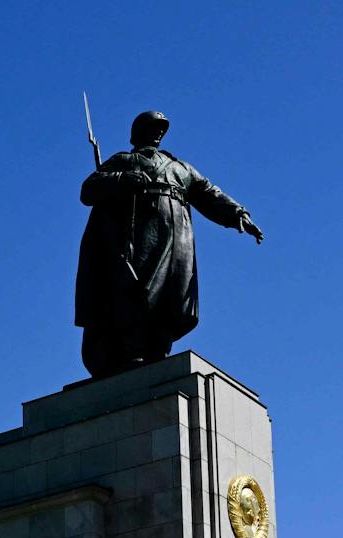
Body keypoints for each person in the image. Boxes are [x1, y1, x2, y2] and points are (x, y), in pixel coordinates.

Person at [74, 110, 264, 378]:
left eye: (161, 128)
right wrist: (121, 179)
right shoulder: (124, 160)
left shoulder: (180, 168)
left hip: (177, 238)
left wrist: (238, 214)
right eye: (153, 127)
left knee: (172, 295)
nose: (158, 132)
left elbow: (209, 194)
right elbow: (89, 189)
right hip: (141, 236)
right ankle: (132, 352)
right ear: (138, 132)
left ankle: (159, 351)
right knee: (138, 292)